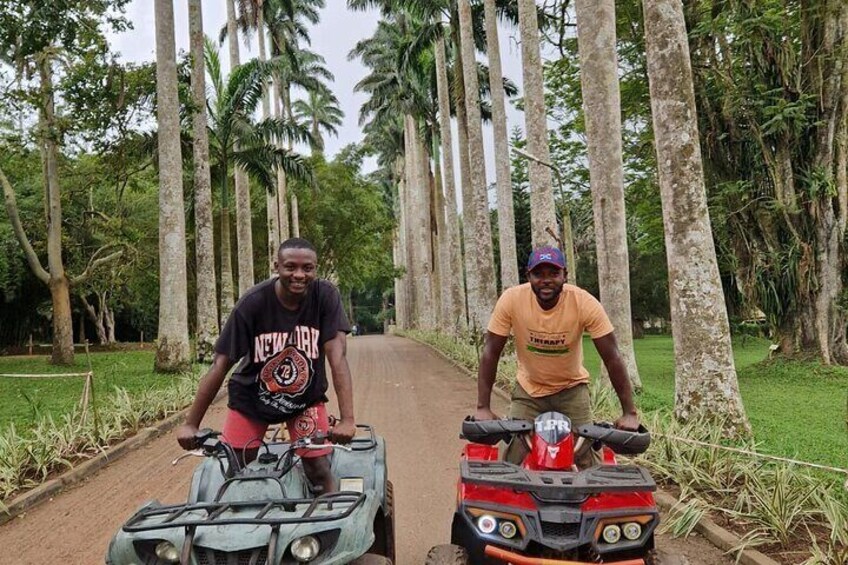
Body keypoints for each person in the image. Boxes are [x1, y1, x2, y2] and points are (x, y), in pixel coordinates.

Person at [176, 237, 355, 494]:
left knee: (318, 468)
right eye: (290, 267)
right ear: (277, 266)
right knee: (237, 472)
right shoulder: (253, 303)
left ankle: (330, 531)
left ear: (315, 269)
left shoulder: (325, 296)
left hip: (304, 400)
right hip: (252, 400)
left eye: (307, 268)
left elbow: (337, 356)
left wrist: (348, 419)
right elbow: (220, 365)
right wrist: (191, 423)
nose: (299, 275)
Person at [475, 245, 640, 468]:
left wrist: (629, 412)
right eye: (538, 274)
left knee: (587, 458)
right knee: (512, 456)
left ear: (565, 275)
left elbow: (612, 357)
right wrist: (483, 407)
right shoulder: (512, 300)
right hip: (529, 391)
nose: (546, 280)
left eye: (553, 273)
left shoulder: (584, 303)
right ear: (528, 276)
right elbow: (491, 353)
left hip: (572, 390)